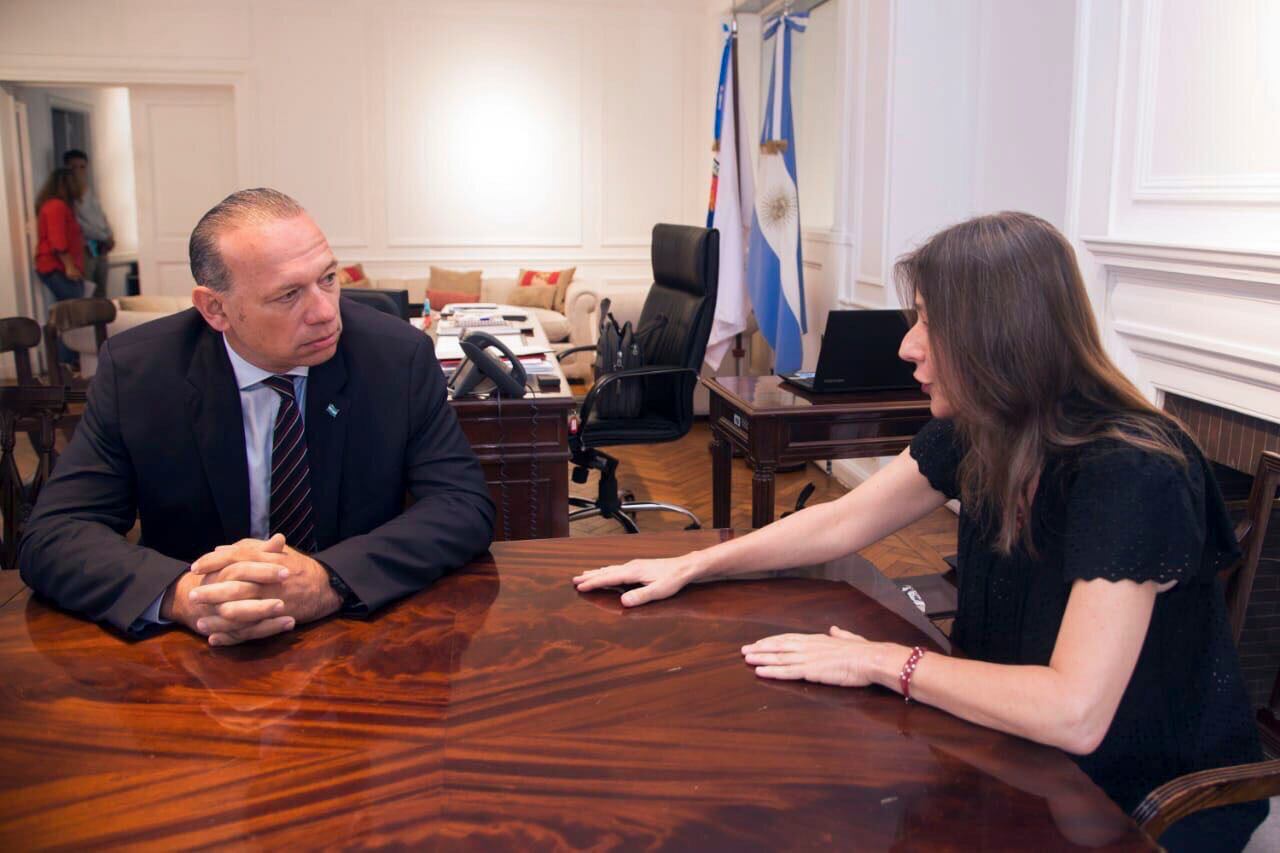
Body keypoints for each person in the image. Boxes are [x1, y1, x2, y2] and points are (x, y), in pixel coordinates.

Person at [574, 211, 1267, 850]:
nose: (908, 345)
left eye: (930, 323)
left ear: (1001, 338)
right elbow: (843, 520)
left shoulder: (1131, 471)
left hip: (1131, 795)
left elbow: (1074, 713)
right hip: (1020, 752)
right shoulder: (983, 427)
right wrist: (697, 563)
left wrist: (882, 662)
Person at [20, 188, 496, 647]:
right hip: (193, 653)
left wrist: (329, 580)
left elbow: (461, 506)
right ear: (215, 308)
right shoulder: (140, 371)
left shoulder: (396, 356)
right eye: (288, 295)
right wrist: (183, 596)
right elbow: (55, 535)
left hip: (357, 639)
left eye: (328, 279)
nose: (326, 313)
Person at [33, 166, 86, 366]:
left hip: (56, 267)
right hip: (57, 267)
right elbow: (58, 241)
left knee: (66, 313)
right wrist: (70, 267)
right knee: (70, 314)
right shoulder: (56, 206)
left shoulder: (53, 205)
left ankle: (66, 360)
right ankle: (65, 361)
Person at [64, 149, 114, 298]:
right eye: (74, 167)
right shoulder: (68, 195)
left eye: (82, 167)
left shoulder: (89, 191)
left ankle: (102, 321)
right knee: (87, 291)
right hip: (86, 249)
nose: (79, 171)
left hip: (101, 248)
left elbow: (100, 216)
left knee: (101, 291)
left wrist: (109, 235)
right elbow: (79, 224)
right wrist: (102, 236)